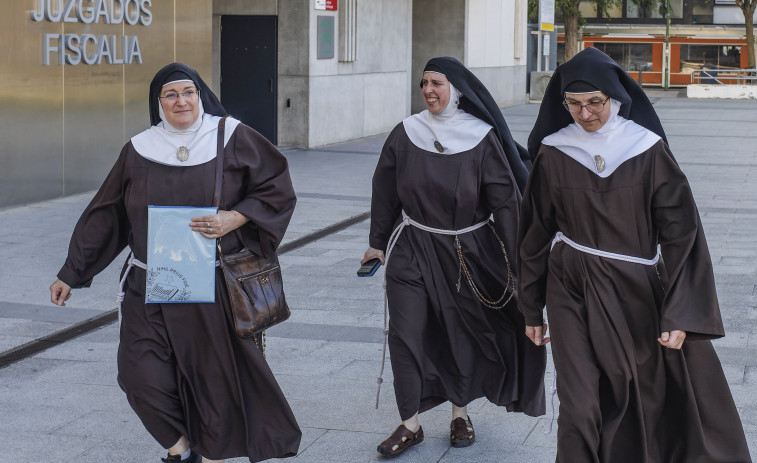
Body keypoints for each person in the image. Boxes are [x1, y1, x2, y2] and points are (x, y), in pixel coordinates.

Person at [49, 63, 301, 463]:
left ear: (200, 95)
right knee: (138, 376)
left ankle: (210, 453)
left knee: (212, 380)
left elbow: (277, 187)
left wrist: (233, 218)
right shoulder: (138, 149)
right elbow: (108, 214)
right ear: (158, 102)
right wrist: (72, 271)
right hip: (149, 284)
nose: (181, 100)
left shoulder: (232, 136)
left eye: (189, 91)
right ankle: (181, 448)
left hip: (210, 283)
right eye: (170, 94)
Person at [519, 47, 751, 462]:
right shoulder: (554, 151)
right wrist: (531, 308)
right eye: (573, 104)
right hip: (570, 285)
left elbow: (682, 234)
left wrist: (681, 312)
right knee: (579, 402)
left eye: (594, 103)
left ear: (615, 98)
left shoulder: (646, 149)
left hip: (635, 288)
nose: (584, 114)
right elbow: (535, 232)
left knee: (637, 391)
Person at [362, 56, 546, 457]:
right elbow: (385, 190)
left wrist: (519, 266)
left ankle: (459, 414)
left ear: (456, 90)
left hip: (466, 253)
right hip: (412, 246)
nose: (428, 90)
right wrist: (378, 241)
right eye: (424, 83)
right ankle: (410, 423)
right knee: (406, 334)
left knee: (458, 334)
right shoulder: (406, 132)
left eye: (437, 84)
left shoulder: (480, 137)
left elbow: (507, 204)